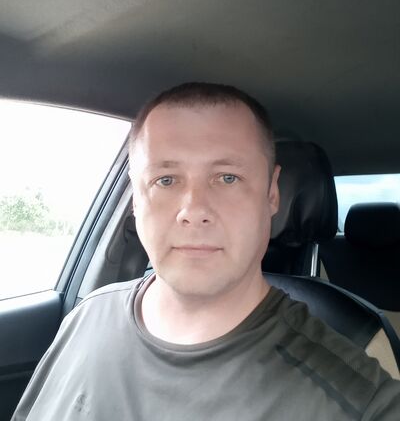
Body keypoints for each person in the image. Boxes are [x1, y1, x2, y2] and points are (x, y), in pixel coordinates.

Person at [12, 82, 400, 420]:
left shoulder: (360, 399)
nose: (194, 210)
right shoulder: (86, 317)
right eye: (165, 180)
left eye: (227, 177)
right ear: (135, 198)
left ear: (271, 193)